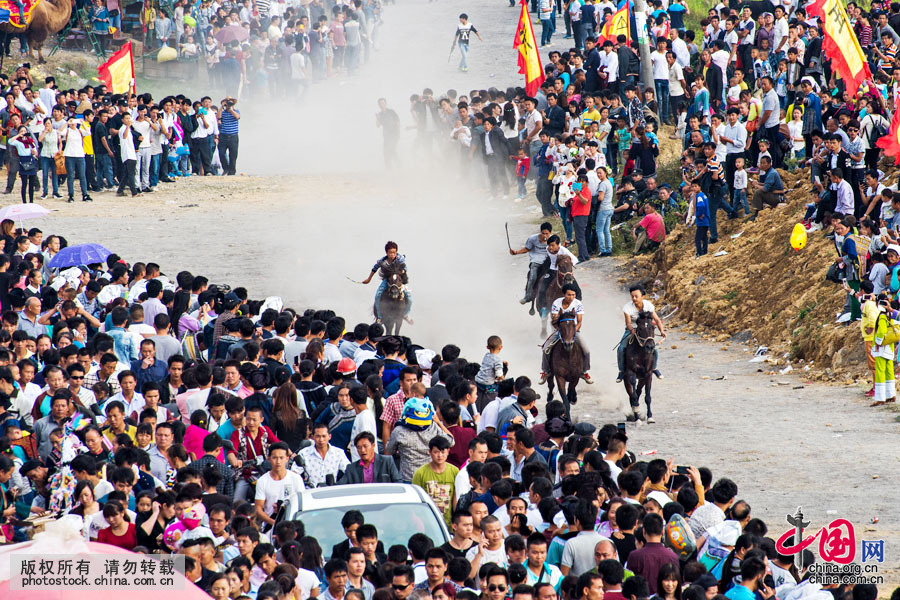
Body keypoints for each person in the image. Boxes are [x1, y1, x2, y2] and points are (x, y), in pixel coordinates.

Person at [539, 283, 591, 384]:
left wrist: (572, 332)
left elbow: (579, 321)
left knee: (587, 350)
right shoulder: (556, 303)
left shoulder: (578, 304)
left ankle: (584, 371)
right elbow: (554, 320)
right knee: (545, 348)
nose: (571, 297)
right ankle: (545, 371)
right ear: (564, 294)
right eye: (569, 295)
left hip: (574, 331)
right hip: (559, 330)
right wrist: (561, 331)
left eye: (573, 295)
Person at [616, 285, 666, 382]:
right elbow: (628, 323)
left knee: (654, 348)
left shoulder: (648, 305)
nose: (634, 298)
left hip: (645, 330)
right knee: (621, 348)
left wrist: (662, 331)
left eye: (636, 296)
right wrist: (632, 330)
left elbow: (657, 319)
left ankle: (654, 368)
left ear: (642, 296)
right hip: (632, 330)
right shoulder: (627, 308)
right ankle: (621, 371)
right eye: (632, 296)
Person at [361, 241, 412, 322]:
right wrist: (369, 279)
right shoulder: (383, 261)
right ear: (386, 253)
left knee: (409, 296)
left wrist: (402, 272)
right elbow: (375, 268)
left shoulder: (400, 259)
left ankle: (405, 314)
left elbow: (405, 268)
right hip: (388, 279)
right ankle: (379, 317)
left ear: (396, 252)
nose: (392, 254)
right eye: (390, 252)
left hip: (398, 280)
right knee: (378, 295)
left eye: (394, 252)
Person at [511, 223, 552, 305]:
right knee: (533, 276)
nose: (544, 235)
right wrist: (516, 252)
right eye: (543, 233)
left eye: (547, 233)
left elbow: (558, 249)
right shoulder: (532, 239)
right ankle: (528, 296)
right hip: (536, 260)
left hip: (549, 260)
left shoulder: (553, 239)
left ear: (550, 233)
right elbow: (527, 248)